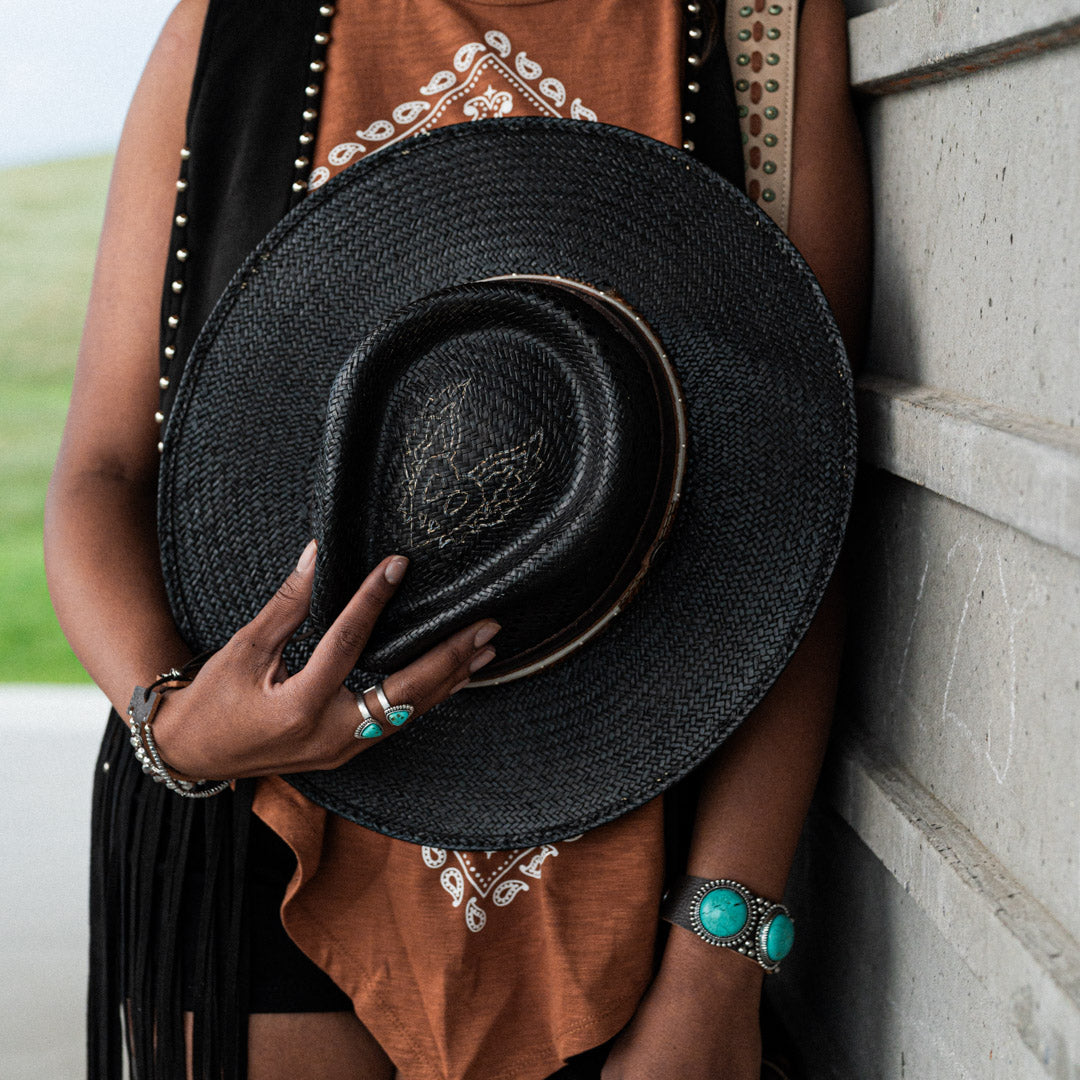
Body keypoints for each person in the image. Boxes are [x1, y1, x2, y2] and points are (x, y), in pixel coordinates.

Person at [44, 0, 870, 1077]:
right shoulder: (230, 23)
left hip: (641, 848)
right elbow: (104, 471)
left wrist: (718, 957)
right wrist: (178, 723)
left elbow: (806, 514)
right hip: (253, 817)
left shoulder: (757, 26)